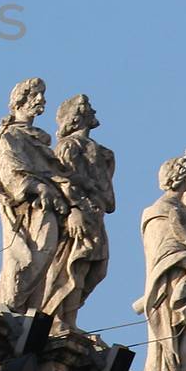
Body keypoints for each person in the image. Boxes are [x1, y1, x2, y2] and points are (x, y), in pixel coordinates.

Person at [133, 148, 186, 371]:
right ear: (180, 179)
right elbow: (162, 250)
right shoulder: (158, 211)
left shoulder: (185, 213)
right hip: (172, 284)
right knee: (177, 325)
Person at [0, 78, 66, 314]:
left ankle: (26, 307)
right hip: (27, 208)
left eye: (42, 95)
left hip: (45, 207)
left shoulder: (37, 138)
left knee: (47, 253)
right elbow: (11, 173)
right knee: (29, 257)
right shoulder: (11, 136)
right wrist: (38, 187)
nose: (41, 100)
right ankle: (11, 306)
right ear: (21, 100)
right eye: (35, 95)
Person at [47, 93, 114, 334]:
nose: (94, 112)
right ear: (76, 118)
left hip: (95, 215)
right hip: (76, 213)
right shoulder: (68, 146)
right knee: (72, 264)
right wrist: (74, 208)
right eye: (88, 109)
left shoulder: (102, 152)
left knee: (94, 268)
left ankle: (70, 319)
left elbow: (108, 197)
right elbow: (63, 180)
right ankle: (58, 318)